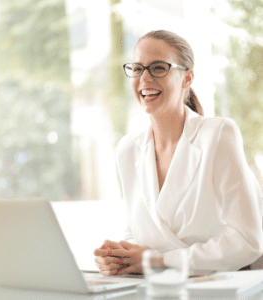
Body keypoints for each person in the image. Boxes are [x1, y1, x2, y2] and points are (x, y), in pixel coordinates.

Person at [94, 30, 263, 276]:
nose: (145, 78)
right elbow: (136, 231)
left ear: (187, 77)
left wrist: (159, 260)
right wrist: (119, 257)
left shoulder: (217, 135)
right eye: (138, 68)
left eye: (158, 68)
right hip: (157, 288)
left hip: (218, 287)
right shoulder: (127, 150)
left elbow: (248, 241)